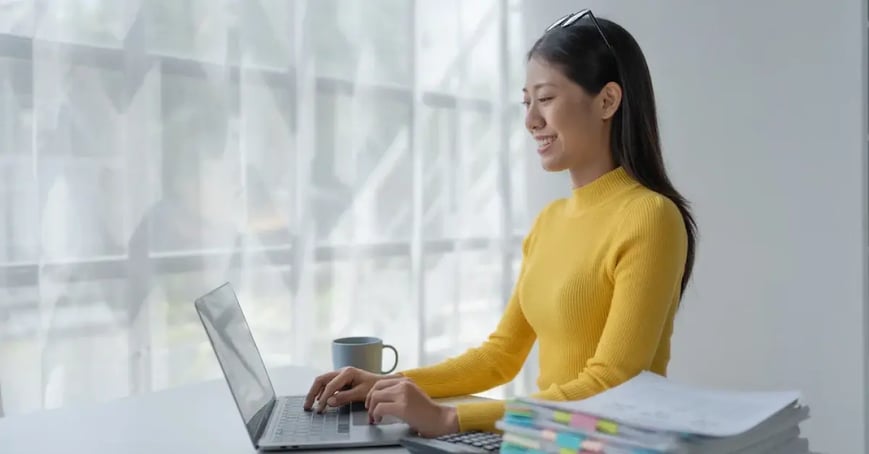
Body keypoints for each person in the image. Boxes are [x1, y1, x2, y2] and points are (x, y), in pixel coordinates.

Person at [303, 10, 697, 438]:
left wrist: (451, 420)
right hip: (547, 441)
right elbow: (500, 356)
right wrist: (385, 384)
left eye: (545, 99)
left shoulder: (651, 217)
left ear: (607, 101)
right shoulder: (550, 223)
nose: (530, 121)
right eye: (526, 102)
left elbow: (610, 384)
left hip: (609, 444)